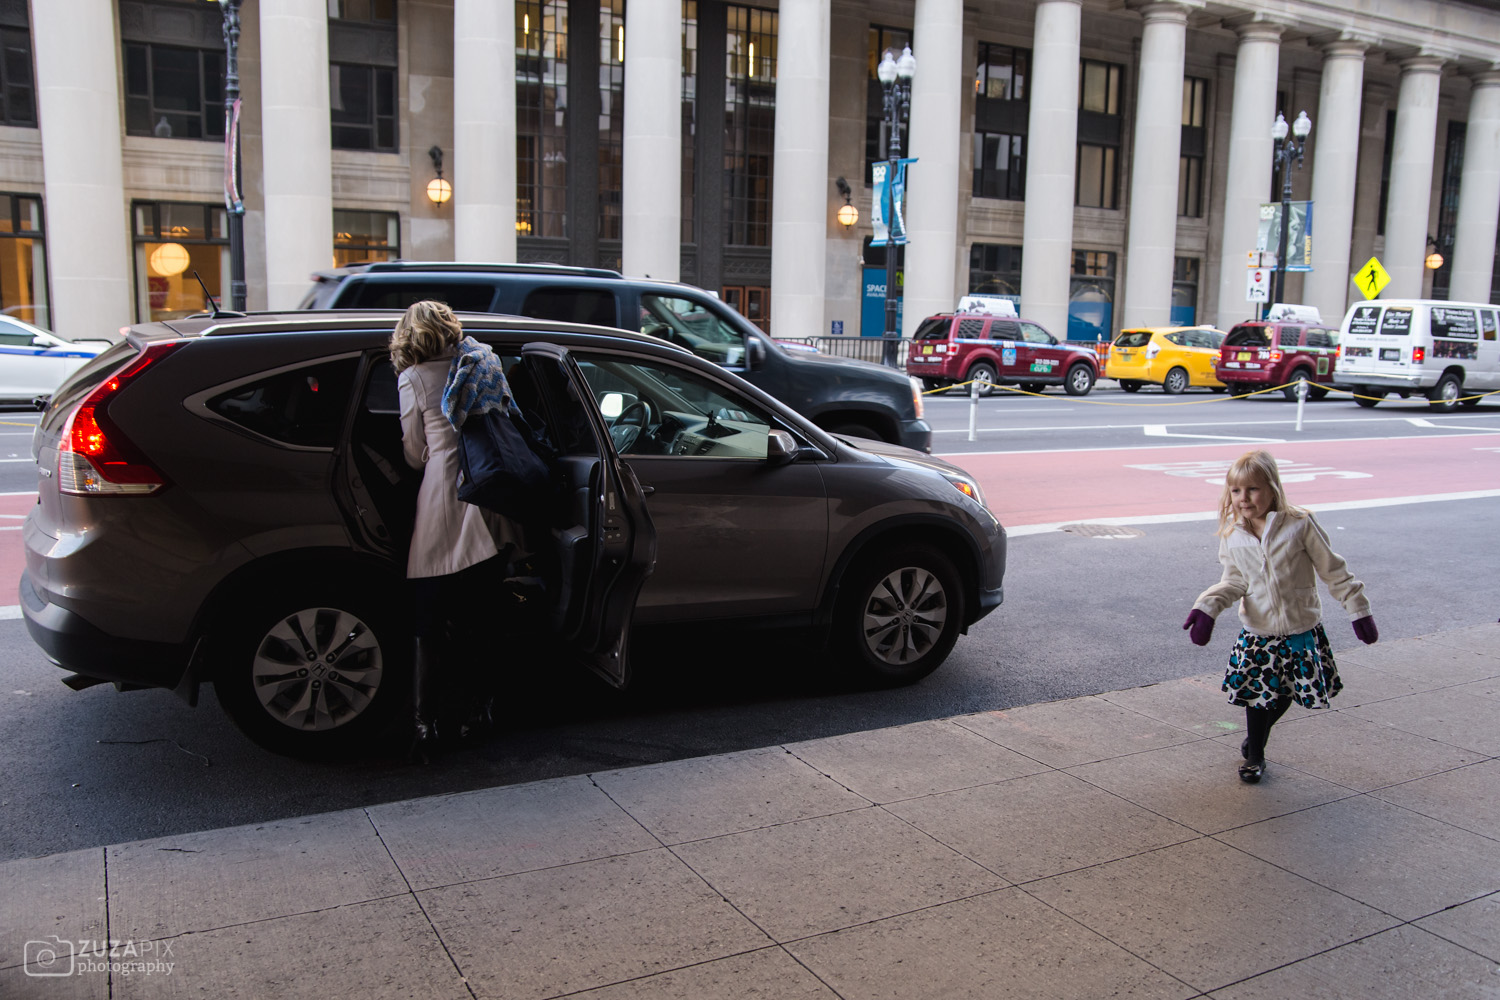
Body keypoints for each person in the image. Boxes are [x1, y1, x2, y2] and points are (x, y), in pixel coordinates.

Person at [1183, 450, 1378, 783]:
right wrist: (1208, 607)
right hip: (1259, 632)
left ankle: (1256, 739)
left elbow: (1332, 570)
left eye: (1253, 489)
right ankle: (1255, 755)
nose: (1243, 498)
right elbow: (1234, 580)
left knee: (1286, 693)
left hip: (1300, 629)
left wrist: (1357, 609)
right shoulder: (1233, 535)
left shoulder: (1299, 524)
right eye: (1236, 491)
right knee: (1258, 697)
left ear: (1272, 488)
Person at [390, 300, 520, 759]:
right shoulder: (481, 361)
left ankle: (426, 723)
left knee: (429, 618)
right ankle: (477, 712)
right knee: (482, 614)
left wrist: (433, 457)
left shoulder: (414, 378)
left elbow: (411, 449)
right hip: (486, 495)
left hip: (442, 498)